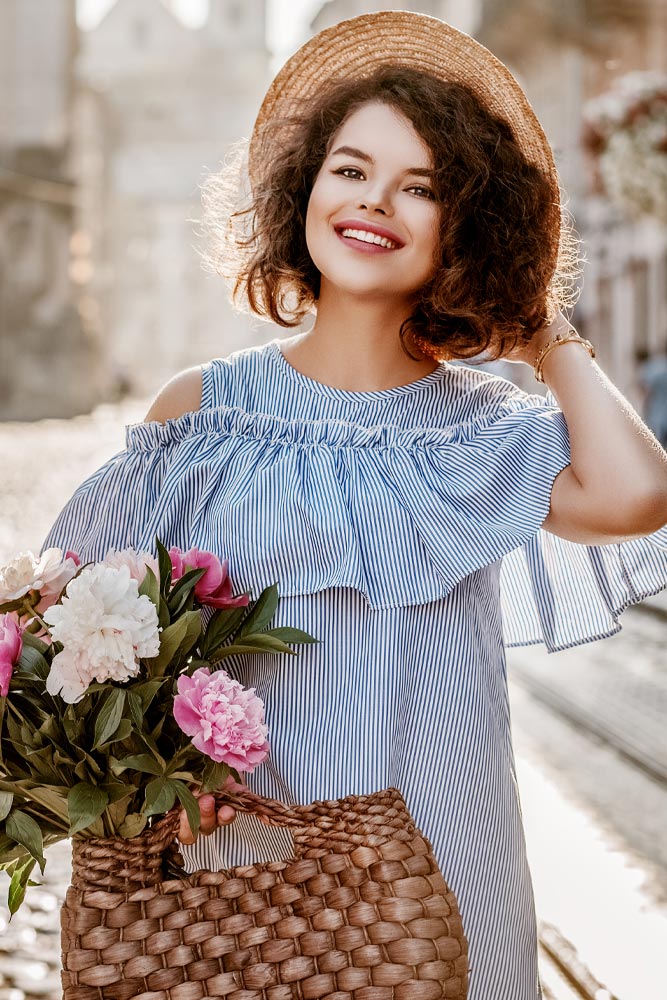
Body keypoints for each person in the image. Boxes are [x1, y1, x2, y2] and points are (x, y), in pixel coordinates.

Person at [41, 13, 667, 1000]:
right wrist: (160, 774)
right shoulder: (204, 412)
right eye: (351, 169)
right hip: (249, 875)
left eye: (422, 188)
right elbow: (71, 637)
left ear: (466, 227)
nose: (376, 202)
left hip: (452, 868)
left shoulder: (485, 432)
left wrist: (546, 332)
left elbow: (639, 494)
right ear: (304, 190)